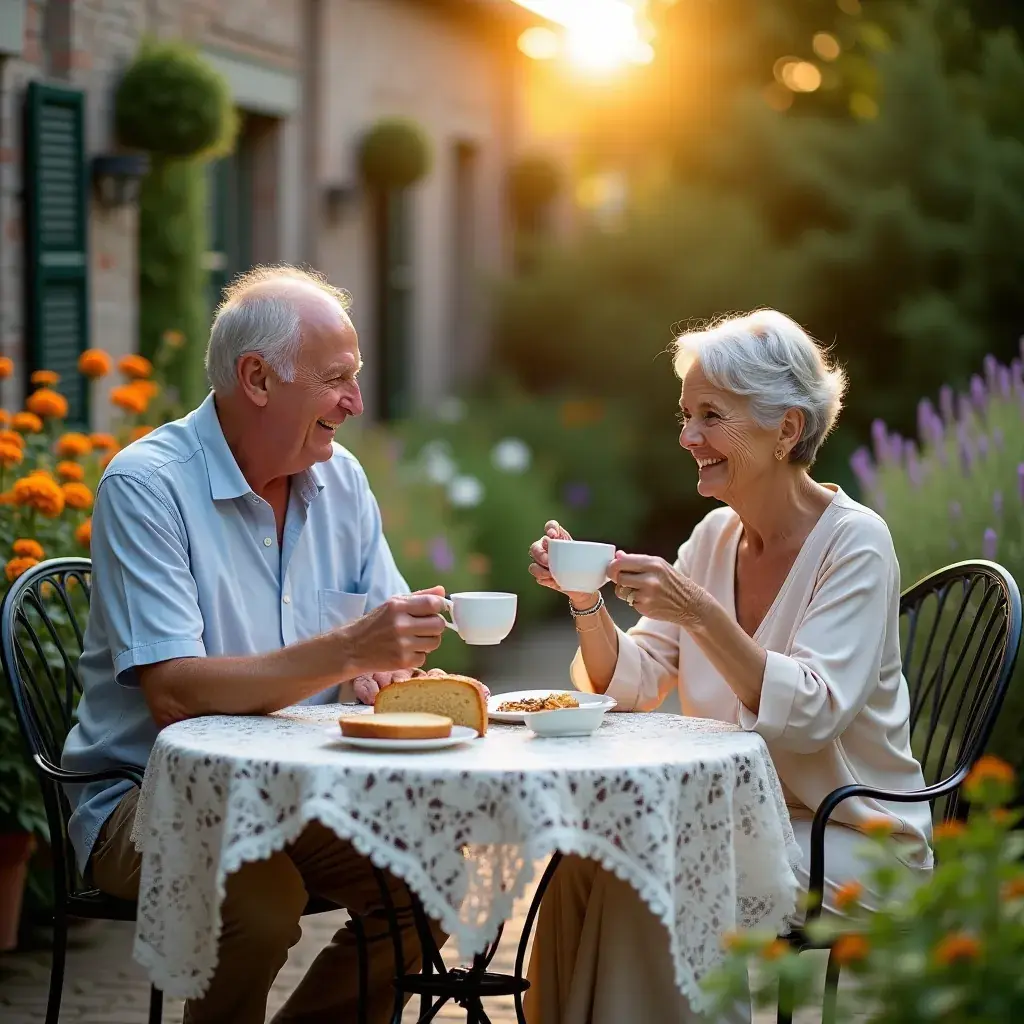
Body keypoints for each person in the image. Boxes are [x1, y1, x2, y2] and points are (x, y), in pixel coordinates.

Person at [62, 265, 452, 1024]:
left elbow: (380, 645)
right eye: (337, 379)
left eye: (357, 378)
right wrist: (347, 652)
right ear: (258, 379)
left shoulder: (343, 483)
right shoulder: (147, 485)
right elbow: (175, 695)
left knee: (429, 878)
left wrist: (384, 664)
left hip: (301, 793)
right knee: (263, 901)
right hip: (147, 797)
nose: (356, 403)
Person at [525, 309, 932, 1024]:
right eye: (684, 416)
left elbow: (810, 712)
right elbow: (635, 679)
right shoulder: (714, 537)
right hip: (740, 819)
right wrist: (588, 603)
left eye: (710, 416)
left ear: (786, 429)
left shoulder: (856, 545)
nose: (687, 438)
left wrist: (698, 612)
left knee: (659, 866)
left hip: (850, 835)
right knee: (589, 849)